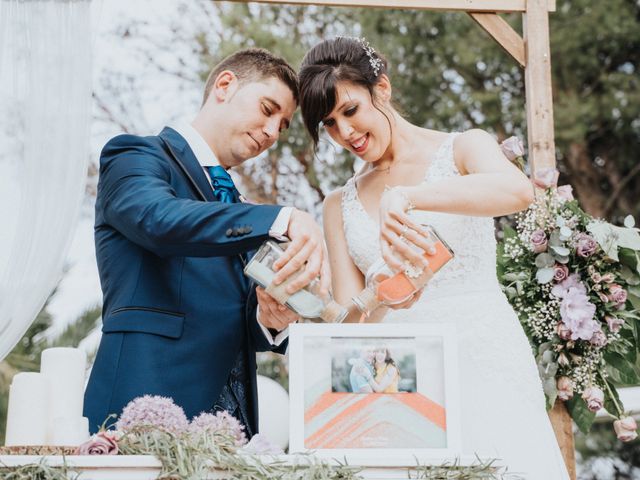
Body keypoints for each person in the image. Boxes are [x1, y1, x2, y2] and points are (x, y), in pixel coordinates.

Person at [298, 37, 570, 479]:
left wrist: (405, 197)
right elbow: (349, 324)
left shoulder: (464, 148)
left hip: (483, 351)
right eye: (328, 124)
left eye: (350, 111)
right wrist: (382, 296)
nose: (344, 133)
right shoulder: (337, 203)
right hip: (402, 377)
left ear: (381, 88)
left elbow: (518, 191)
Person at [84, 48, 330, 437]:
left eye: (282, 126)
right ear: (225, 85)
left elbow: (235, 315)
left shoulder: (238, 206)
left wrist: (269, 319)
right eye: (268, 109)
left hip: (229, 431)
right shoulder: (135, 155)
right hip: (142, 407)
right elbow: (159, 221)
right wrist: (282, 216)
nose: (271, 132)